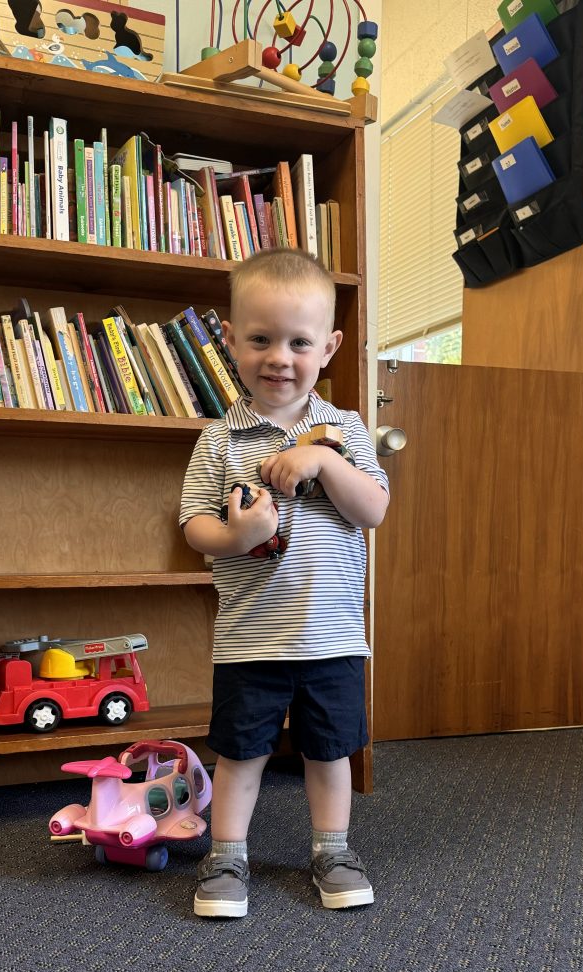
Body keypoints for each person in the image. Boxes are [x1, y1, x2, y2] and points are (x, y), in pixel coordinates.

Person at [179, 248, 390, 918]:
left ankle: (333, 849)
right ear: (232, 341)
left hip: (331, 637)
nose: (279, 357)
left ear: (327, 348)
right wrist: (235, 536)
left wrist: (320, 462)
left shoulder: (348, 431)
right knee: (241, 753)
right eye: (261, 339)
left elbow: (374, 509)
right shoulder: (219, 440)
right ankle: (226, 857)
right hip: (250, 638)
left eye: (299, 342)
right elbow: (192, 525)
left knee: (331, 752)